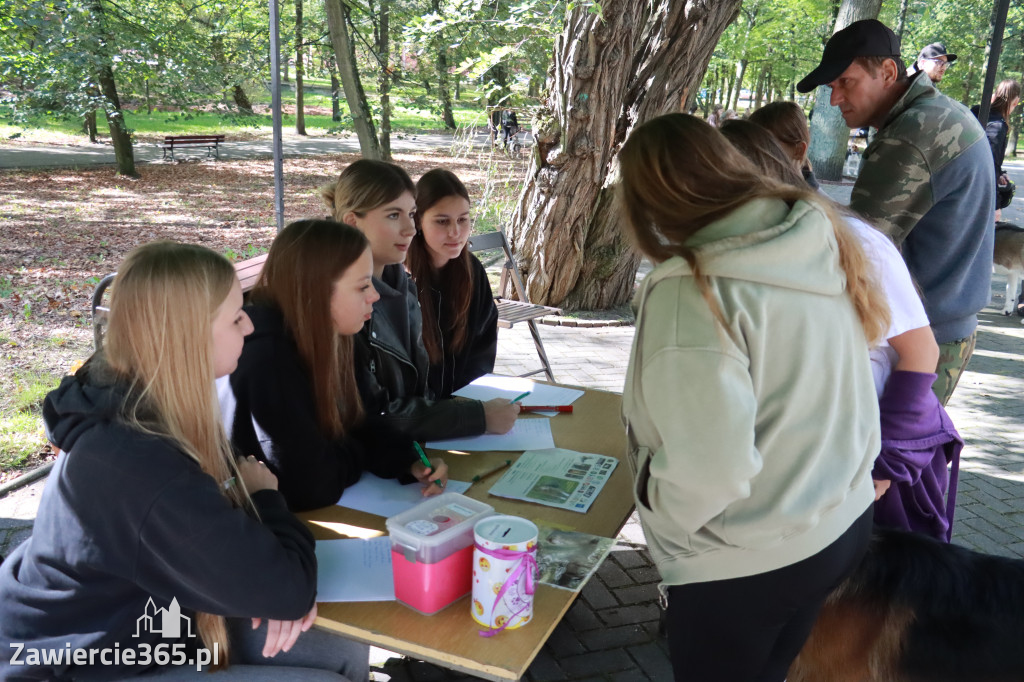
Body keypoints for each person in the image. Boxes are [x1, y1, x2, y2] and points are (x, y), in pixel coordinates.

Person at [0, 242, 368, 681]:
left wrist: (275, 586)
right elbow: (287, 589)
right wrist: (267, 500)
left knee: (339, 645)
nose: (250, 325)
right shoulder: (140, 464)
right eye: (235, 317)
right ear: (188, 338)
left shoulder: (142, 401)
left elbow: (268, 574)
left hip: (150, 621)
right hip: (81, 663)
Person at [618, 113, 887, 682]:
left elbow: (708, 467)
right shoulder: (807, 238)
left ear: (646, 202)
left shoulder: (693, 289)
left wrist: (667, 521)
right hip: (837, 519)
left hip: (749, 558)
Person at [721, 117, 963, 543]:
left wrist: (886, 465)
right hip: (807, 464)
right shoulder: (744, 246)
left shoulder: (855, 241)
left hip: (874, 464)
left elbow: (921, 352)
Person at [798, 19, 994, 406]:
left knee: (886, 464)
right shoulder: (938, 111)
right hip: (939, 330)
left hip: (919, 343)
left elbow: (855, 248)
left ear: (887, 72)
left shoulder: (912, 134)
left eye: (845, 82)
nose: (835, 99)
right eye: (831, 87)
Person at [224, 219, 447, 512]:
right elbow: (313, 486)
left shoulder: (333, 334)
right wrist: (353, 451)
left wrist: (407, 460)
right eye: (362, 286)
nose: (375, 296)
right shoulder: (267, 361)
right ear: (315, 292)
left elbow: (363, 420)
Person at [320, 159, 519, 442]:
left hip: (419, 446)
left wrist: (412, 458)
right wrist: (473, 417)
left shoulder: (403, 286)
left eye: (411, 214)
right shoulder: (341, 299)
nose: (410, 229)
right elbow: (367, 415)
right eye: (393, 215)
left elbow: (420, 390)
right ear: (352, 221)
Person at [407, 169, 498, 398]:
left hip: (463, 405)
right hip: (419, 416)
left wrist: (467, 405)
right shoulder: (401, 278)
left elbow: (482, 351)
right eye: (442, 221)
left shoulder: (472, 271)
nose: (455, 232)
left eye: (462, 219)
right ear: (418, 221)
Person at [972, 79, 1021, 219]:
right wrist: (995, 205)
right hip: (975, 191)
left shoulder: (977, 112)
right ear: (1016, 101)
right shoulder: (997, 126)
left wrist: (1000, 174)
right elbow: (989, 166)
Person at [748, 101, 820, 189]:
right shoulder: (758, 192)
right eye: (751, 148)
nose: (754, 158)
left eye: (767, 148)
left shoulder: (809, 201)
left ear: (799, 151)